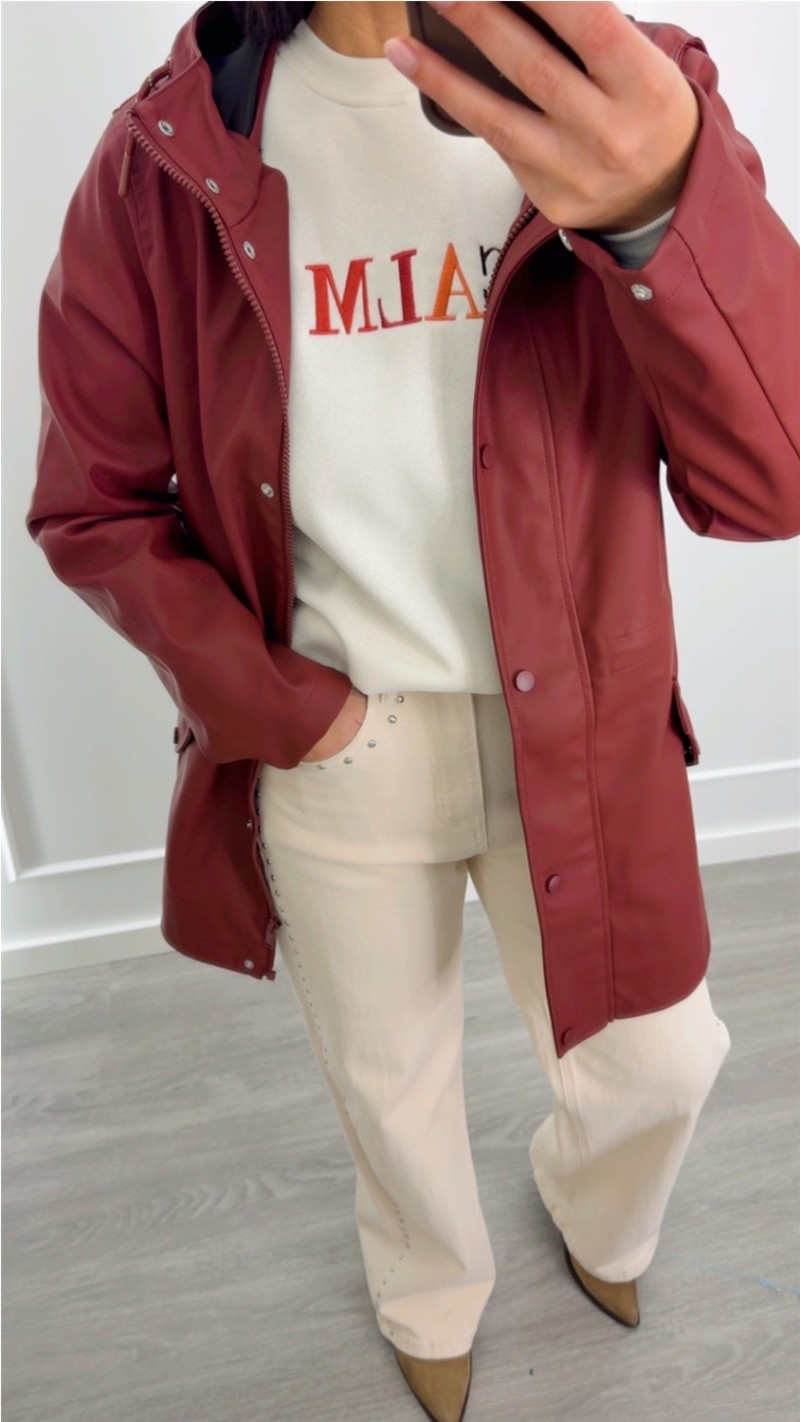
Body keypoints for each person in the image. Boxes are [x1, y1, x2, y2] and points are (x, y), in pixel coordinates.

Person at [26, 3, 799, 1419]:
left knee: (664, 1059)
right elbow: (95, 504)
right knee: (391, 1085)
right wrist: (284, 711)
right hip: (336, 737)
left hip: (574, 724)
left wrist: (657, 215)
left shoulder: (627, 96)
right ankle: (428, 1291)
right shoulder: (168, 156)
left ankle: (596, 1205)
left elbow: (774, 477)